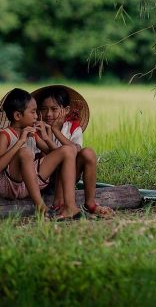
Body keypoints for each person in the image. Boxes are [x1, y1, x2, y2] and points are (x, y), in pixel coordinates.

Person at [0, 88, 81, 220]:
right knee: (24, 153)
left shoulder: (32, 133)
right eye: (33, 112)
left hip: (29, 185)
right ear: (18, 116)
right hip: (9, 186)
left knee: (68, 150)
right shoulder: (5, 135)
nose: (37, 116)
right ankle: (40, 207)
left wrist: (46, 137)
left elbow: (56, 156)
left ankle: (70, 206)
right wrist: (20, 142)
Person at [33, 85, 114, 218]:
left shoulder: (73, 128)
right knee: (64, 158)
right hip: (43, 179)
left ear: (66, 110)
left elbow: (75, 150)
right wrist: (47, 135)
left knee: (88, 153)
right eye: (43, 109)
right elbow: (51, 156)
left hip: (68, 177)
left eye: (54, 109)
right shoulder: (36, 128)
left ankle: (90, 203)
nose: (48, 114)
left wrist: (56, 131)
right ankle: (59, 203)